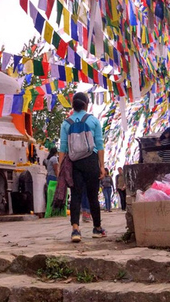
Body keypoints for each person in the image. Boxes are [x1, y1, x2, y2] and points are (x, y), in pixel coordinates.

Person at [59, 92, 106, 243]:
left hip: (74, 163)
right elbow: (99, 145)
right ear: (86, 104)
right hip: (91, 160)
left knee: (76, 196)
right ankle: (97, 228)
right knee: (93, 196)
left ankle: (75, 230)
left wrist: (60, 167)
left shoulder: (66, 123)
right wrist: (102, 166)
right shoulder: (93, 121)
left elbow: (63, 148)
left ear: (73, 105)